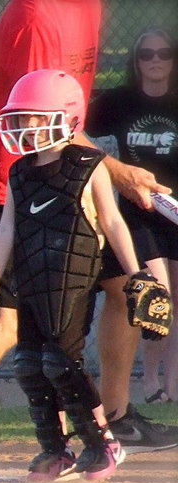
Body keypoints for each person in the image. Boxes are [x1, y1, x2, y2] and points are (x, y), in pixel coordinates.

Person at [0, 0, 177, 475]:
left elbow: (74, 106)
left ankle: (115, 416)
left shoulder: (89, 8)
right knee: (8, 321)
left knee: (128, 287)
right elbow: (41, 121)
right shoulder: (34, 14)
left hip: (75, 183)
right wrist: (121, 172)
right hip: (12, 186)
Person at [0, 69, 143, 481]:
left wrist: (137, 274)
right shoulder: (20, 171)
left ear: (66, 116)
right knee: (29, 364)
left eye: (34, 115)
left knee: (60, 363)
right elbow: (7, 228)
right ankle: (55, 450)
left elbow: (114, 223)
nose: (26, 125)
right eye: (21, 117)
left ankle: (102, 443)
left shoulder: (89, 165)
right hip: (31, 278)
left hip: (73, 277)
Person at [86, 28, 178, 406]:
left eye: (163, 52)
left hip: (175, 209)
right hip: (140, 210)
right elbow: (80, 129)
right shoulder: (120, 101)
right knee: (157, 297)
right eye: (146, 54)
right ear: (136, 61)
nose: (155, 60)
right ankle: (151, 382)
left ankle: (173, 384)